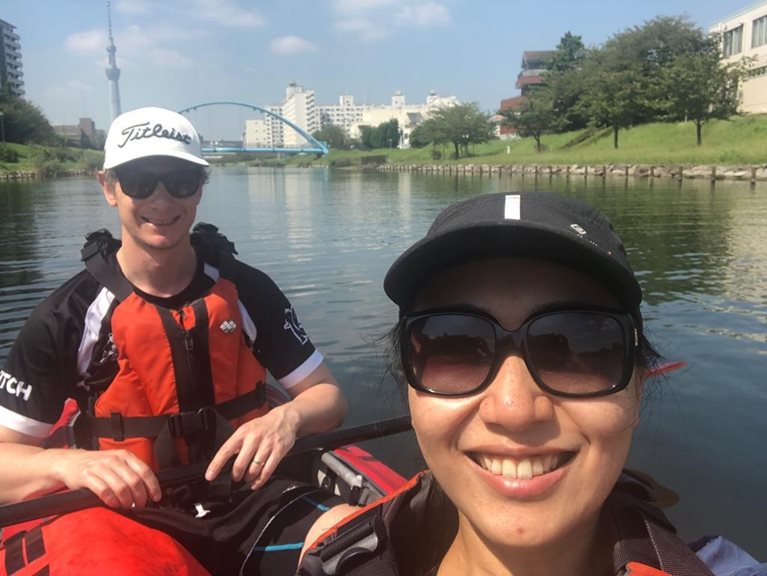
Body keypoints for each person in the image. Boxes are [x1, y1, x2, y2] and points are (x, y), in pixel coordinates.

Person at [298, 192, 766, 576]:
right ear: (412, 392)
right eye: (455, 347)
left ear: (637, 389)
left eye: (580, 349)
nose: (514, 409)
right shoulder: (336, 562)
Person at [0, 106, 347, 574]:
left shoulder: (247, 290)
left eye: (180, 180)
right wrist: (69, 466)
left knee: (357, 550)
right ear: (108, 187)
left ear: (200, 187)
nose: (161, 200)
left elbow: (328, 398)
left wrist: (286, 418)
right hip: (129, 518)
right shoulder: (66, 316)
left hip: (251, 501)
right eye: (140, 180)